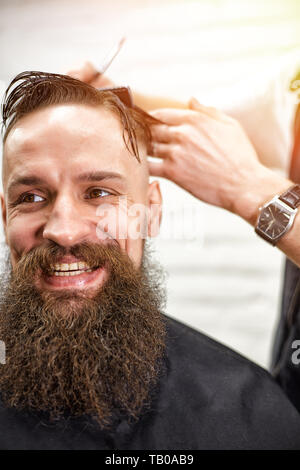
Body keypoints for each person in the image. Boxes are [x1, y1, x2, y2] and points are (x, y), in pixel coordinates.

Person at [0, 70, 300, 451]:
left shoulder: (249, 414)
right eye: (31, 197)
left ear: (152, 211)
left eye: (98, 192)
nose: (64, 231)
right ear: (5, 214)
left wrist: (249, 187)